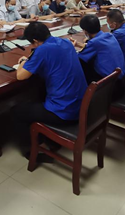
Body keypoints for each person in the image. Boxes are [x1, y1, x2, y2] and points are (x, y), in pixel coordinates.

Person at [12, 22, 87, 161]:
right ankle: (49, 140)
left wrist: (23, 61)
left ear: (35, 41)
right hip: (81, 106)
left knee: (17, 111)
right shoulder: (66, 42)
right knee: (39, 93)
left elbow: (20, 76)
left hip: (64, 111)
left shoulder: (42, 50)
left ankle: (32, 152)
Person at [71, 15, 125, 98]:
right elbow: (94, 47)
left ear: (85, 31)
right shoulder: (109, 36)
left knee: (79, 66)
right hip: (121, 83)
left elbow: (78, 59)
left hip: (111, 90)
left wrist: (70, 49)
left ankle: (80, 98)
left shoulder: (94, 43)